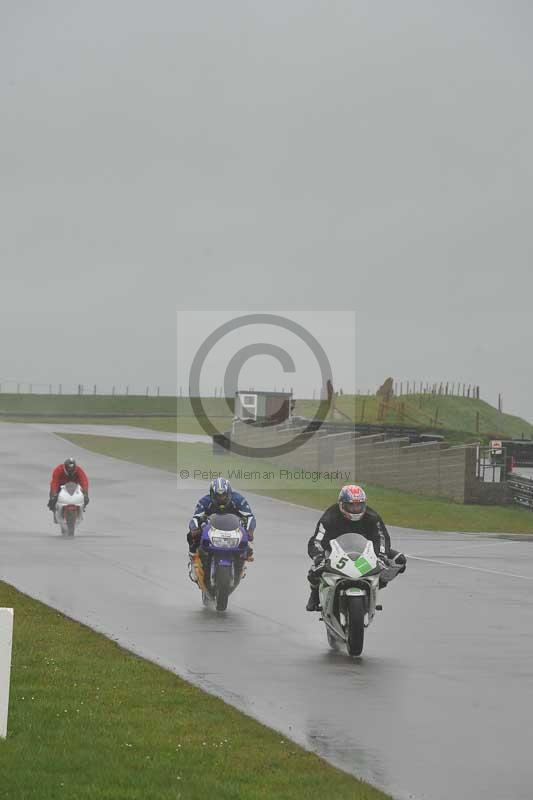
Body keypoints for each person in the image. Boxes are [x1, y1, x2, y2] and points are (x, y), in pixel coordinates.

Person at [305, 484, 406, 611]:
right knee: (315, 570)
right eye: (351, 505)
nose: (355, 509)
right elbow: (317, 540)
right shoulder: (330, 516)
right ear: (342, 504)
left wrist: (382, 555)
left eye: (359, 505)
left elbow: (382, 537)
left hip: (365, 552)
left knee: (399, 560)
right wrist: (319, 557)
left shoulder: (372, 516)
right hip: (335, 552)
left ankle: (375, 585)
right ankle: (314, 594)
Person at [187, 477, 256, 581]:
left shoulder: (238, 499)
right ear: (212, 495)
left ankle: (242, 561)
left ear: (229, 493)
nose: (221, 499)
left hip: (233, 530)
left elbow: (250, 516)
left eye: (224, 495)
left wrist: (250, 531)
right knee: (191, 536)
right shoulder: (204, 501)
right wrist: (194, 529)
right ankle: (193, 560)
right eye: (218, 496)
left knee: (247, 545)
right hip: (212, 530)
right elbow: (195, 517)